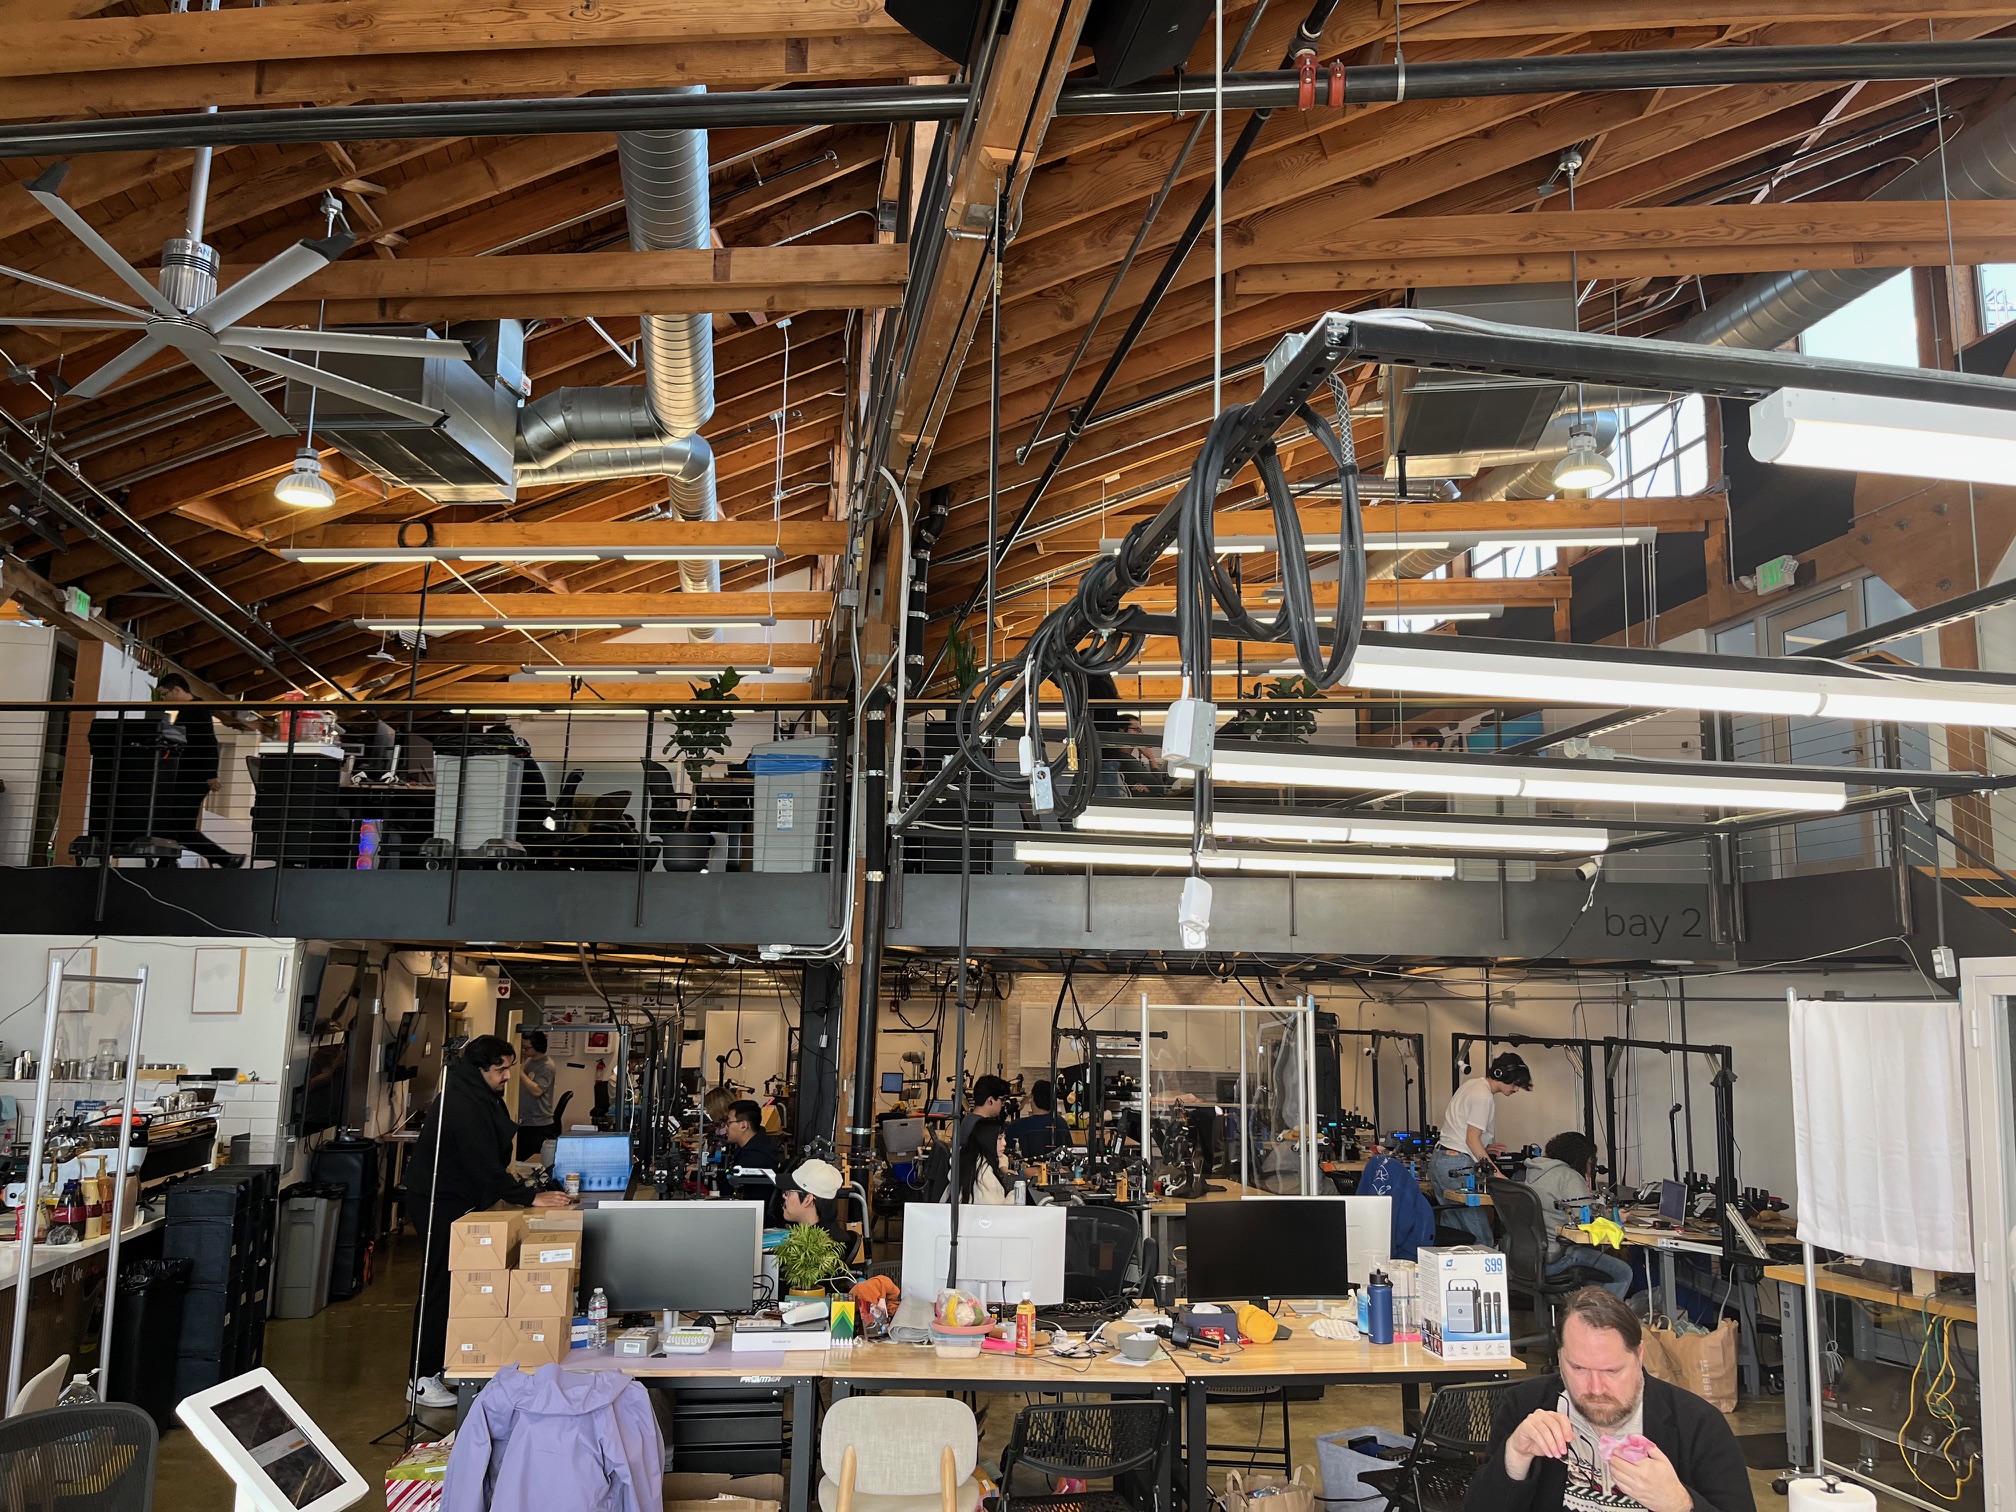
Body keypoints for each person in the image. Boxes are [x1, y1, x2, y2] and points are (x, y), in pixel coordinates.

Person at [1465, 1287, 1754, 1512]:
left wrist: (1681, 1504)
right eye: (1578, 1368)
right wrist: (1515, 1455)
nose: (1595, 1388)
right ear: (1560, 1358)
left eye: (1612, 1371)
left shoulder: (1699, 1425)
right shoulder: (1525, 1405)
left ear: (1639, 1356)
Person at [403, 1035, 572, 1409]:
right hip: (438, 1201)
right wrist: (529, 1197)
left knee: (452, 1284)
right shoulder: (461, 1104)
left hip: (457, 1197)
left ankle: (441, 1366)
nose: (507, 1076)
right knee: (438, 1286)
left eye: (509, 1068)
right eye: (500, 1069)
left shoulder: (479, 1096)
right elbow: (481, 1164)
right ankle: (420, 1378)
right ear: (479, 1069)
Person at [1433, 1051, 1531, 1243]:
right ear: (1502, 1074)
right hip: (1456, 1165)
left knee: (1455, 1234)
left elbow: (1463, 1131)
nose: (1516, 1089)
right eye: (1516, 1083)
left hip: (1441, 1160)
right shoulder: (1484, 1096)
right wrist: (1497, 1174)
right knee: (1481, 1237)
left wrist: (1485, 1147)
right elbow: (1472, 1139)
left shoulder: (1472, 1085)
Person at [1524, 1131, 1633, 1300]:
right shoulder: (1568, 1176)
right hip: (1558, 1256)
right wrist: (1614, 1216)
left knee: (1597, 1271)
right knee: (1622, 1272)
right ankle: (1601, 1315)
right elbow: (1585, 1218)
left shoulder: (1534, 1172)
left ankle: (1585, 1307)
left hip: (1529, 1257)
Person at [154, 674, 242, 868]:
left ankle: (223, 858)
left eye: (165, 694)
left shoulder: (195, 711)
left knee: (179, 825)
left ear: (177, 690)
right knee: (175, 823)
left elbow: (208, 743)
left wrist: (210, 774)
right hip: (192, 777)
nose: (164, 699)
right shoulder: (193, 710)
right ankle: (167, 861)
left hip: (193, 777)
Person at [779, 1158, 863, 1266]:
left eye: (788, 1193)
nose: (784, 1196)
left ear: (808, 1200)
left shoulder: (816, 1251)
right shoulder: (832, 1234)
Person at [723, 1097, 781, 1201]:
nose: (726, 1127)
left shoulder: (755, 1158)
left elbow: (729, 1189)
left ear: (744, 1126)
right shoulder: (760, 1143)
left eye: (729, 1123)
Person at [514, 1029, 558, 1160]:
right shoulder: (529, 1061)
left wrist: (520, 1073)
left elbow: (537, 1091)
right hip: (525, 1120)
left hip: (538, 1123)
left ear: (537, 1046)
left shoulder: (546, 1066)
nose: (523, 1051)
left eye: (526, 1048)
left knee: (531, 1160)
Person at [1006, 1080, 1071, 1159]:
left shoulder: (1017, 1126)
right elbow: (1069, 1151)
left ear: (1032, 1098)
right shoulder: (1062, 1123)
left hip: (1027, 1166)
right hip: (1058, 1165)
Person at [958, 1118, 1016, 1205]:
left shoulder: (970, 1158)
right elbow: (998, 1209)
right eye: (999, 1138)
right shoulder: (984, 1174)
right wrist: (1015, 1193)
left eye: (1004, 1138)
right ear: (987, 1139)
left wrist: (1003, 1168)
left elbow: (1002, 1157)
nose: (1004, 1143)